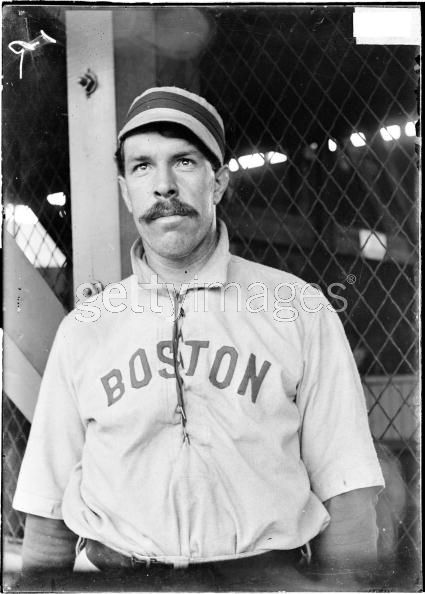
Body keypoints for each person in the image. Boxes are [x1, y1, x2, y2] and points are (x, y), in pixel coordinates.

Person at [13, 87, 384, 589]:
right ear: (126, 191)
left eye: (183, 161)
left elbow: (349, 496)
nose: (163, 184)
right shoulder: (86, 329)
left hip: (263, 578)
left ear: (218, 182)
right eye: (142, 166)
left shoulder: (299, 309)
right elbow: (48, 513)